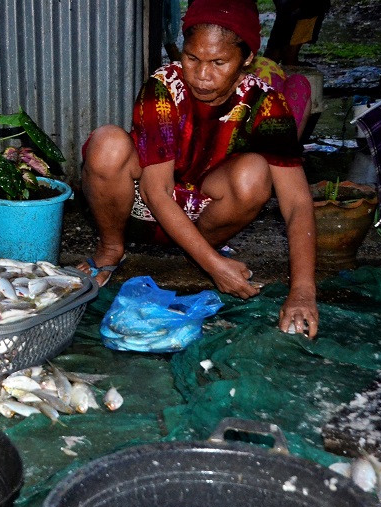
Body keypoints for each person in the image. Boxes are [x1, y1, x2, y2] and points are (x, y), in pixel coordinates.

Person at [81, 0, 319, 339]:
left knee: (255, 173)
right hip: (143, 210)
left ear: (247, 58)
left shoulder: (265, 104)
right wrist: (214, 267)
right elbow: (155, 191)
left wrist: (303, 293)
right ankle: (111, 248)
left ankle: (198, 250)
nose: (203, 75)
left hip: (202, 217)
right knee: (107, 143)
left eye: (220, 62)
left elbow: (297, 202)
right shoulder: (163, 87)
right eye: (192, 58)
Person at [263, 0, 331, 67]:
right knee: (276, 49)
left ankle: (288, 71)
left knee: (287, 52)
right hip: (292, 9)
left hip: (305, 10)